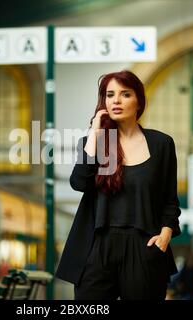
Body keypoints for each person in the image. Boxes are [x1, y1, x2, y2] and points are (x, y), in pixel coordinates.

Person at [55, 70, 181, 300]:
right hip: (97, 246)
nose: (116, 100)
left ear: (138, 101)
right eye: (109, 95)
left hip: (144, 246)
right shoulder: (94, 143)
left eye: (125, 94)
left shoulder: (162, 144)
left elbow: (169, 200)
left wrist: (165, 235)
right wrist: (94, 132)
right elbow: (79, 182)